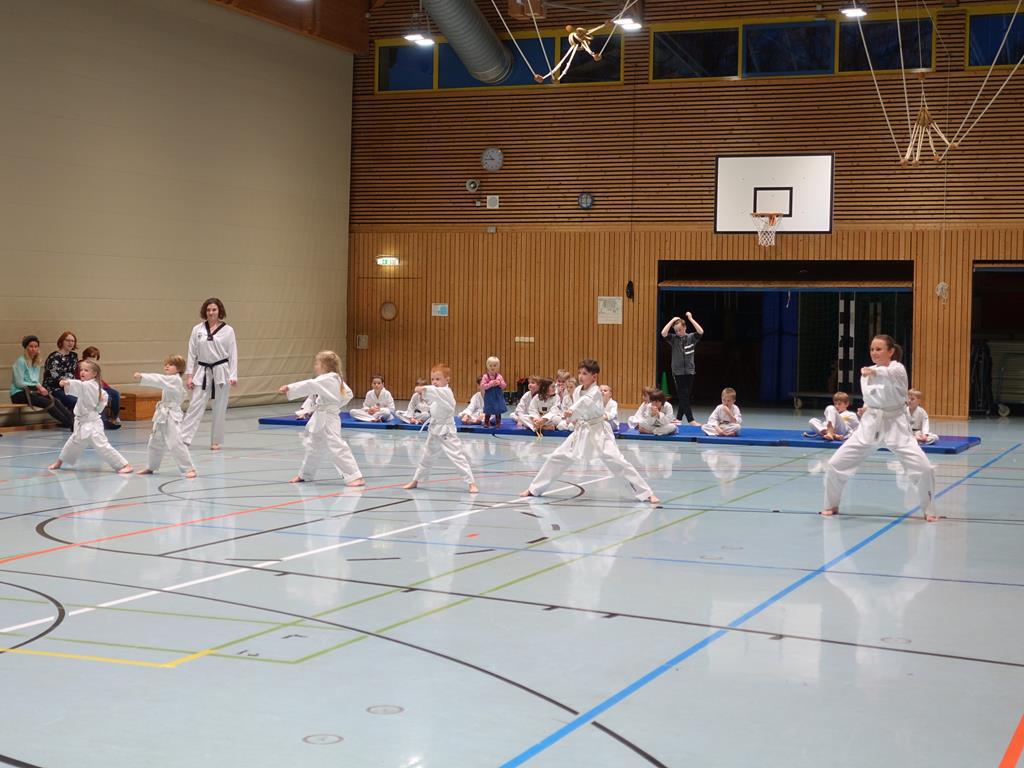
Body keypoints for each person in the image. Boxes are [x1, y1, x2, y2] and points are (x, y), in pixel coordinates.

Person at [822, 335, 938, 522]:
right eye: (872, 349)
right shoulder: (866, 373)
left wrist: (873, 371)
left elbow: (888, 375)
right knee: (836, 464)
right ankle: (831, 504)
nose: (874, 353)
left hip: (896, 424)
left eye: (879, 349)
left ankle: (929, 509)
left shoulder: (897, 369)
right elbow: (872, 398)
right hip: (870, 425)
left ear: (891, 351)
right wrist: (865, 408)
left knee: (924, 468)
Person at [520, 359, 660, 505]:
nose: (581, 376)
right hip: (581, 430)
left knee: (617, 461)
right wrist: (545, 419)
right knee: (558, 457)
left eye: (585, 373)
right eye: (579, 373)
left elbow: (584, 403)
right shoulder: (577, 391)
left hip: (598, 431)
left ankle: (646, 493)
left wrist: (571, 411)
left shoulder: (596, 392)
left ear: (594, 376)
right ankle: (534, 489)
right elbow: (559, 408)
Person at [279, 350, 364, 486]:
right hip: (323, 416)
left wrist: (289, 388)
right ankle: (305, 474)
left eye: (317, 363)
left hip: (328, 418)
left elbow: (310, 384)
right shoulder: (336, 378)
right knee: (313, 446)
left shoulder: (328, 378)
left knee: (336, 445)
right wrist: (335, 404)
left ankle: (355, 476)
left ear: (324, 365)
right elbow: (349, 394)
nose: (315, 366)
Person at [403, 363, 478, 493]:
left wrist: (422, 388)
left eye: (438, 379)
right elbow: (431, 397)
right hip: (434, 428)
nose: (434, 382)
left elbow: (433, 392)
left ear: (447, 380)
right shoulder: (436, 393)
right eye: (432, 379)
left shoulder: (446, 392)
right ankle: (416, 480)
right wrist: (423, 391)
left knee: (457, 456)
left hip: (446, 431)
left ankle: (471, 483)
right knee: (427, 456)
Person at [48, 360, 132, 473]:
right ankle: (59, 462)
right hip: (82, 422)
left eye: (86, 370)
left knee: (102, 445)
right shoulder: (95, 387)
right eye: (81, 370)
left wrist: (67, 382)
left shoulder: (89, 385)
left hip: (92, 424)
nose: (82, 372)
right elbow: (99, 404)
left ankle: (125, 465)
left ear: (94, 374)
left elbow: (80, 386)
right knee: (72, 443)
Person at [181, 298, 238, 450]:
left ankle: (216, 441)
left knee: (219, 407)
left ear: (219, 311)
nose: (211, 312)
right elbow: (191, 353)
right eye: (208, 310)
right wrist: (190, 375)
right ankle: (183, 439)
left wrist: (233, 375)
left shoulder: (228, 330)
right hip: (202, 370)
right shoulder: (197, 329)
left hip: (221, 371)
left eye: (214, 309)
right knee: (194, 405)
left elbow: (233, 353)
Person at [133, 355, 195, 478]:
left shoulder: (174, 380)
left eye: (171, 365)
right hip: (162, 414)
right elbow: (182, 393)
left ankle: (189, 468)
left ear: (179, 369)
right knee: (155, 441)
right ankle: (151, 466)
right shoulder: (172, 380)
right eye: (166, 364)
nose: (167, 366)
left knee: (175, 442)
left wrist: (142, 376)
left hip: (171, 415)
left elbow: (158, 379)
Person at [10, 335, 74, 429]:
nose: (33, 349)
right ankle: (70, 424)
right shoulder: (21, 361)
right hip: (19, 393)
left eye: (36, 346)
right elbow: (19, 383)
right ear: (26, 348)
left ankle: (74, 421)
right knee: (46, 402)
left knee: (54, 400)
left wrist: (41, 387)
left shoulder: (36, 361)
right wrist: (38, 387)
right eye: (31, 346)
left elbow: (34, 380)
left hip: (31, 390)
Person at [660, 312, 704, 425]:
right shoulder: (673, 339)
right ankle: (691, 420)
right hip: (678, 372)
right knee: (683, 396)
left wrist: (691, 318)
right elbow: (663, 333)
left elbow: (700, 331)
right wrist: (672, 320)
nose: (678, 332)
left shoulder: (691, 338)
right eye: (676, 330)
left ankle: (679, 418)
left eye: (680, 329)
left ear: (685, 327)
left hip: (690, 371)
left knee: (685, 396)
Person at [78, 346, 121, 429]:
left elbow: (98, 378)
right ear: (85, 357)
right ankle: (103, 420)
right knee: (100, 398)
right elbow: (81, 379)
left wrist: (106, 387)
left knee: (115, 394)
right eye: (90, 357)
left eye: (95, 357)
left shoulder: (95, 366)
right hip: (89, 387)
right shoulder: (81, 365)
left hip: (98, 386)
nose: (92, 359)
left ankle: (114, 417)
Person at [42, 331, 80, 413]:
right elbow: (54, 376)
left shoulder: (74, 356)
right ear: (62, 341)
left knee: (87, 399)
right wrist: (66, 382)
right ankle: (72, 419)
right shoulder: (54, 356)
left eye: (72, 341)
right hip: (54, 387)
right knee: (75, 401)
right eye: (68, 340)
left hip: (69, 386)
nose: (70, 343)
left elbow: (73, 373)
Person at [480, 356, 507, 428]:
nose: (492, 367)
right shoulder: (485, 376)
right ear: (487, 366)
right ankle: (486, 422)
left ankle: (498, 423)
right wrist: (490, 384)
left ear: (498, 367)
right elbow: (482, 386)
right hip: (489, 396)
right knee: (488, 409)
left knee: (498, 409)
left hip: (497, 396)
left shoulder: (499, 376)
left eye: (494, 366)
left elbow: (504, 386)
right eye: (490, 365)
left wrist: (499, 383)